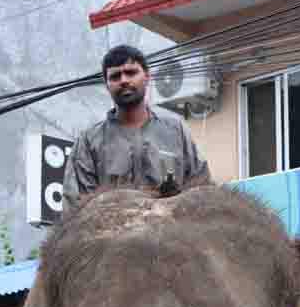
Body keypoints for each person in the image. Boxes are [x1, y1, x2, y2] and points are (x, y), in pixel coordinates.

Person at [60, 44, 212, 213]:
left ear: (146, 76)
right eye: (115, 76)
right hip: (111, 236)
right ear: (107, 84)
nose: (124, 80)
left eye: (131, 73)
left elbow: (202, 191)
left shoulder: (176, 131)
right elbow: (77, 210)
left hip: (170, 235)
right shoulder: (89, 141)